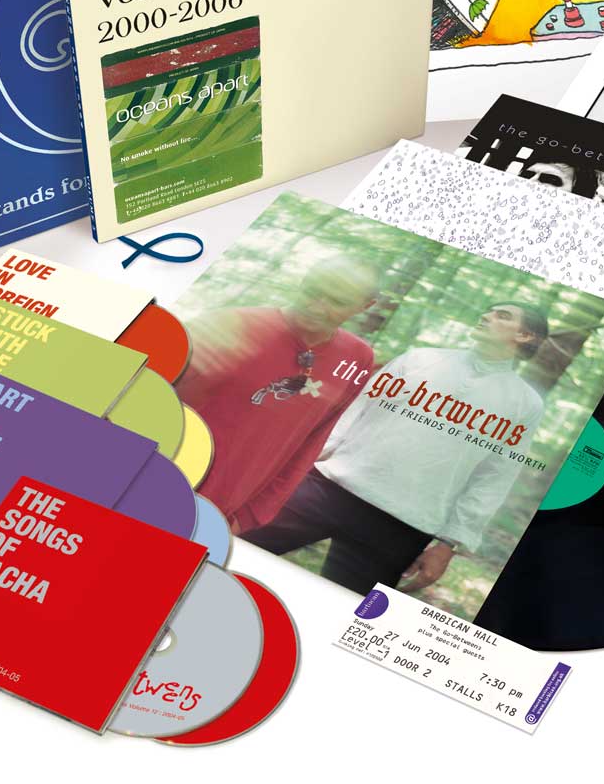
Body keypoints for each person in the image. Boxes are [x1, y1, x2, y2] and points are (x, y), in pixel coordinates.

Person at [244, 303, 549, 594]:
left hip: (403, 527)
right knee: (237, 552)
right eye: (489, 311)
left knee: (341, 612)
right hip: (329, 488)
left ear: (525, 335)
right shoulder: (419, 359)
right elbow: (353, 412)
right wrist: (296, 467)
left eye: (502, 316)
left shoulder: (525, 404)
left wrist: (449, 543)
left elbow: (495, 477)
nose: (486, 316)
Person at [174, 254, 381, 536]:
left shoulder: (358, 359)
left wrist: (250, 515)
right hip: (160, 482)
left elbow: (311, 443)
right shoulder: (230, 324)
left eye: (336, 301)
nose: (315, 307)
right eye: (312, 291)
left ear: (365, 306)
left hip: (218, 514)